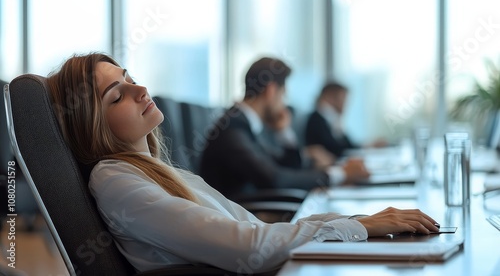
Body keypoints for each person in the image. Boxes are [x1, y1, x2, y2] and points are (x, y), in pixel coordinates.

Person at [47, 52, 440, 274]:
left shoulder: (156, 170)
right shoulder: (118, 181)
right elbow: (247, 245)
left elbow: (249, 229)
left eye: (130, 76)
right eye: (117, 95)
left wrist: (361, 223)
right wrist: (356, 227)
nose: (141, 88)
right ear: (92, 126)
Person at [200, 57, 370, 200]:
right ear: (271, 90)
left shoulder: (245, 123)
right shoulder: (232, 128)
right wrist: (340, 174)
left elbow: (285, 166)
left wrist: (284, 132)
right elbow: (275, 178)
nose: (284, 104)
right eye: (283, 95)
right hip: (241, 221)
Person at [305, 81, 386, 158]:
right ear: (330, 97)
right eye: (343, 99)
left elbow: (347, 145)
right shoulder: (316, 120)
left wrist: (368, 146)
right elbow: (336, 149)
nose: (345, 104)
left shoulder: (332, 119)